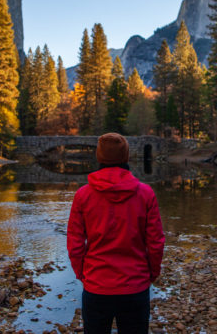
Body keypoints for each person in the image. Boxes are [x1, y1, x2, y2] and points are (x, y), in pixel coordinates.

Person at [67, 133, 165, 334]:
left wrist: (82, 274)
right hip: (135, 286)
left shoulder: (83, 195)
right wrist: (152, 273)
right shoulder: (145, 194)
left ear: (99, 157)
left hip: (96, 286)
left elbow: (75, 242)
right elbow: (155, 242)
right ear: (126, 157)